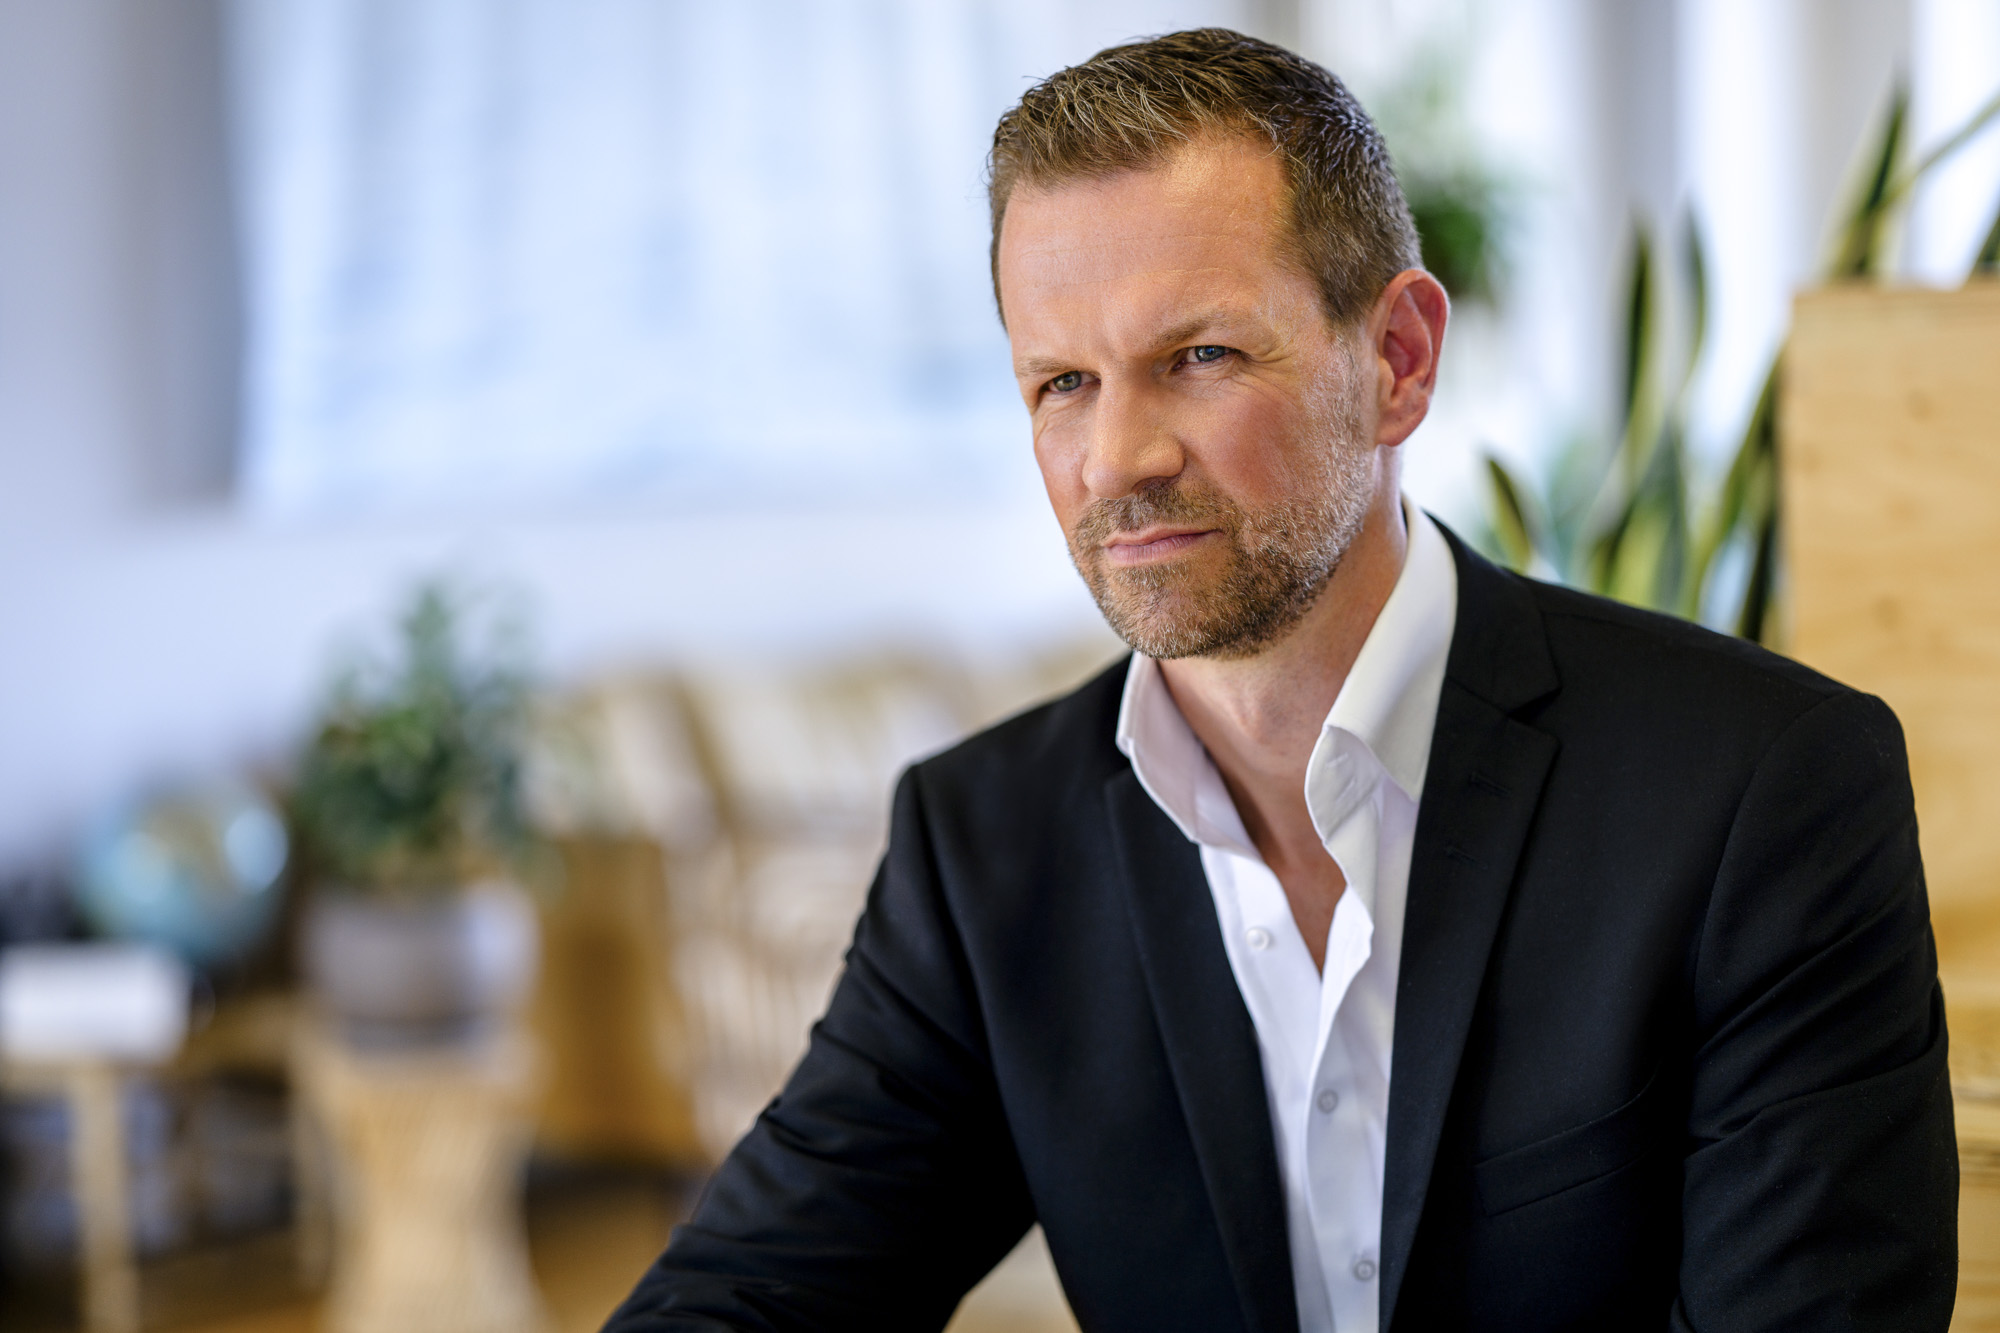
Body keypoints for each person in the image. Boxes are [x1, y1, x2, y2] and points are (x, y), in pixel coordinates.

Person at [605, 28, 1955, 1332]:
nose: (1116, 457)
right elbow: (754, 1291)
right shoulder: (982, 851)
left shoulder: (1761, 791)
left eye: (1199, 357)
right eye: (1062, 382)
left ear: (1399, 361)